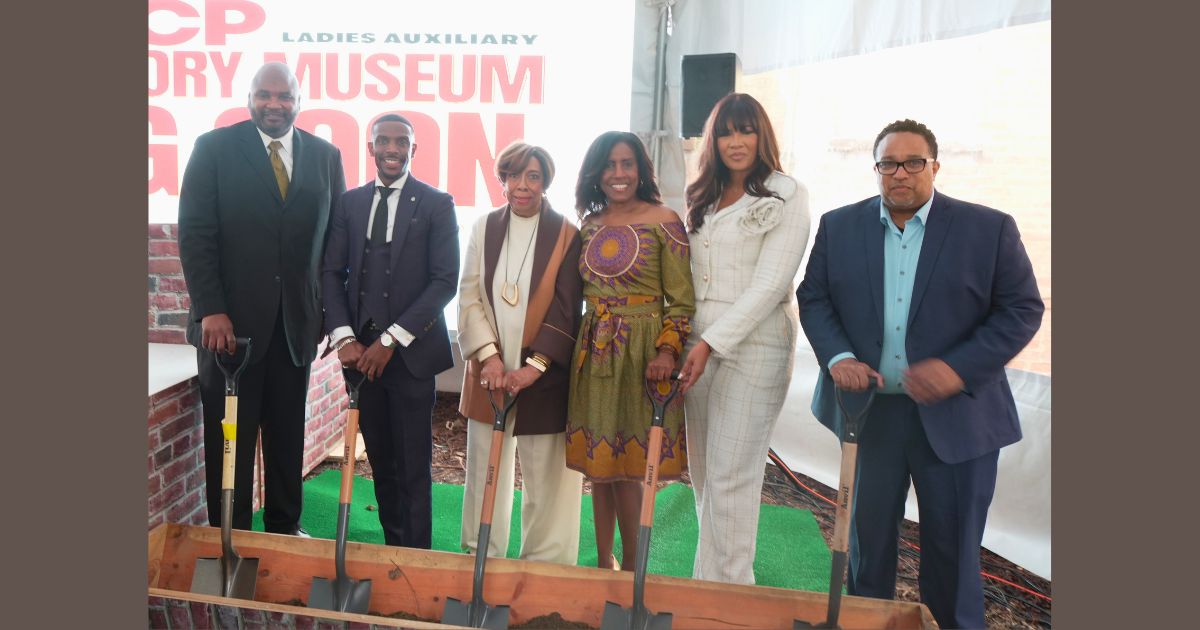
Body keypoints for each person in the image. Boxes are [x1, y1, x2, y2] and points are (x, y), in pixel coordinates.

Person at [796, 119, 1044, 629]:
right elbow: (814, 297)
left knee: (952, 559)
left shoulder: (988, 228)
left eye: (913, 162)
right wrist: (839, 357)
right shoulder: (839, 226)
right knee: (866, 551)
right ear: (877, 169)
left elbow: (1021, 309)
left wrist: (957, 369)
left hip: (957, 419)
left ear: (934, 166)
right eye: (889, 163)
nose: (900, 174)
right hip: (871, 414)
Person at [179, 62, 346, 536]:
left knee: (288, 434)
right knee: (230, 434)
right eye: (264, 94)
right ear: (249, 96)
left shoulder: (325, 156)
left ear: (299, 100)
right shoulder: (213, 149)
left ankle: (284, 528)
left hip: (296, 326)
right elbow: (196, 234)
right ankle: (229, 534)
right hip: (228, 330)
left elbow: (333, 244)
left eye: (284, 96)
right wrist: (211, 307)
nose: (274, 104)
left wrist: (330, 316)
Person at [676, 93, 811, 585]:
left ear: (762, 136)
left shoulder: (786, 193)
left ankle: (727, 598)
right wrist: (684, 341)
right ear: (713, 140)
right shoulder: (702, 196)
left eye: (746, 130)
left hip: (755, 345)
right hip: (697, 348)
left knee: (733, 479)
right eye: (726, 132)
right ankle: (713, 591)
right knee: (707, 475)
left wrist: (709, 343)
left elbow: (772, 284)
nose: (737, 142)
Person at [320, 114, 459, 549]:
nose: (392, 148)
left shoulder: (437, 204)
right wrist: (344, 337)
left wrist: (390, 339)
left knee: (412, 465)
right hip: (360, 358)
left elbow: (443, 280)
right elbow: (330, 272)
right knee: (380, 460)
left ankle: (417, 558)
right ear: (371, 147)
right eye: (384, 140)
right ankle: (391, 549)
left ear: (414, 150)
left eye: (402, 142)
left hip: (410, 358)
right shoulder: (350, 203)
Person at [565, 131, 695, 571]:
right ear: (596, 174)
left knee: (630, 470)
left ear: (640, 170)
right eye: (609, 165)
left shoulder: (664, 220)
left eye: (627, 164)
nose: (618, 174)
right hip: (594, 353)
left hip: (643, 357)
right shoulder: (589, 225)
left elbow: (681, 299)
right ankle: (604, 566)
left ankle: (637, 574)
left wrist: (668, 352)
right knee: (599, 470)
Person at [456, 142, 585, 564]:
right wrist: (489, 358)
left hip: (542, 373)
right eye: (513, 176)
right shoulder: (484, 227)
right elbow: (469, 294)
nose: (522, 186)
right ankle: (482, 557)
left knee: (547, 474)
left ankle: (546, 568)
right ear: (503, 180)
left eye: (532, 176)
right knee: (484, 469)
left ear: (545, 182)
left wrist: (534, 367)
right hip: (490, 370)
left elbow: (568, 307)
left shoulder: (567, 233)